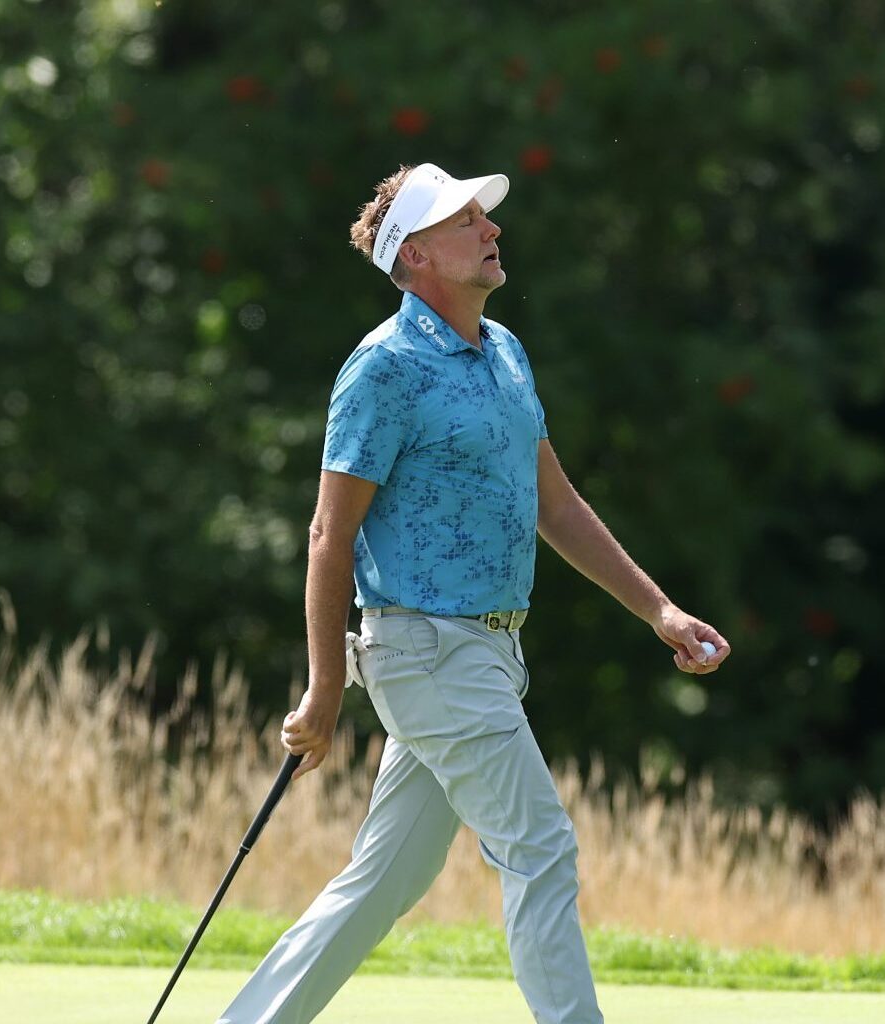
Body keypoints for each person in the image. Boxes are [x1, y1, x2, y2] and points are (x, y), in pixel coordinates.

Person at [216, 163, 731, 1024]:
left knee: (387, 877)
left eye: (483, 218)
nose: (490, 229)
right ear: (415, 255)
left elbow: (555, 505)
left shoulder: (505, 353)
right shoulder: (384, 368)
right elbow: (329, 534)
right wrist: (325, 686)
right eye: (464, 221)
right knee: (540, 847)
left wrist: (660, 610)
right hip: (426, 652)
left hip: (486, 654)